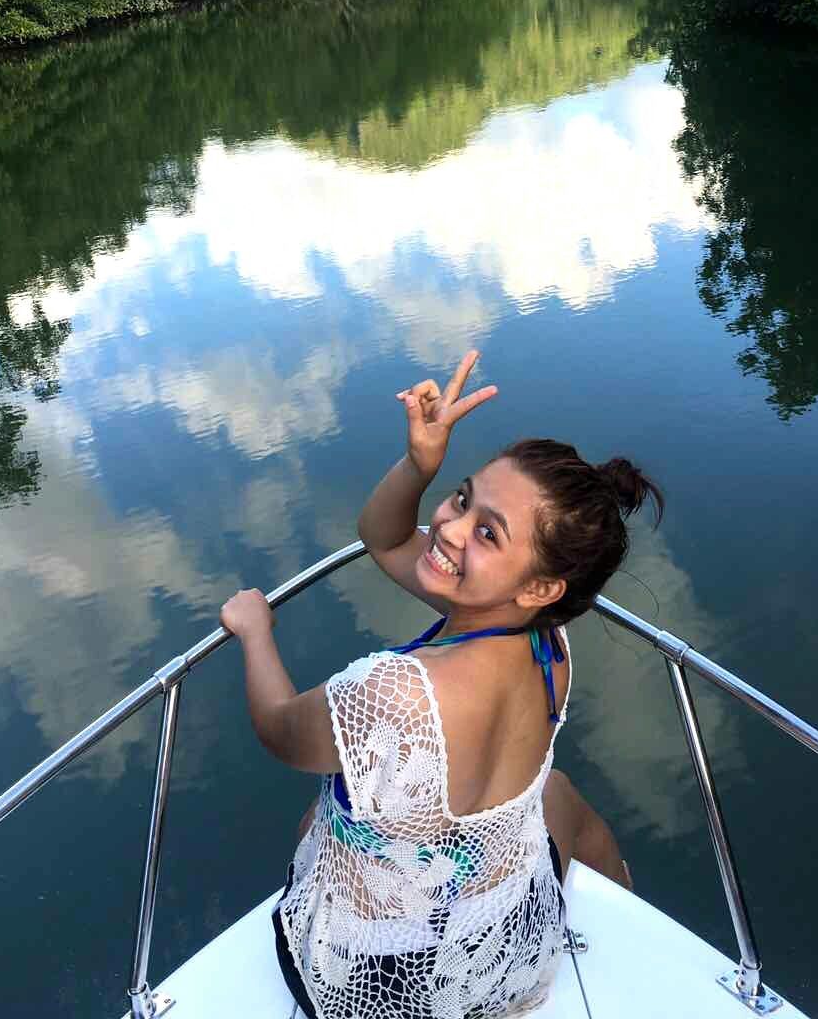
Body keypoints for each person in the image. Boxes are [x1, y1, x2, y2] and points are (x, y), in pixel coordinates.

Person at [220, 350, 662, 1019]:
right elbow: (386, 537)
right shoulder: (548, 644)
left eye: (487, 532)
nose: (448, 528)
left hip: (379, 986)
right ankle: (625, 904)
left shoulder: (394, 693)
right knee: (558, 793)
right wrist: (419, 465)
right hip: (503, 955)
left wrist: (255, 631)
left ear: (541, 586)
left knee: (320, 813)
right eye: (460, 496)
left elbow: (277, 728)